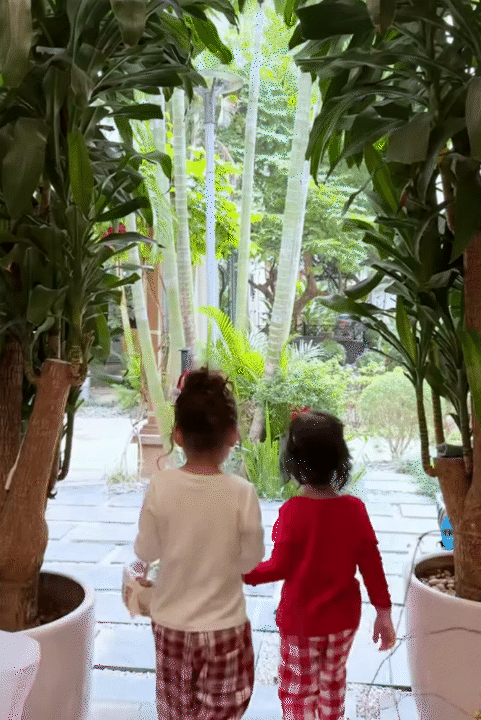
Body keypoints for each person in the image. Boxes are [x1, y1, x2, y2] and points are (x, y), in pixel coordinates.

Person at [243, 409, 396, 720]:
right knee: (332, 683)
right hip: (343, 622)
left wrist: (243, 573)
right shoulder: (354, 509)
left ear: (292, 463)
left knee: (298, 691)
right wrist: (384, 613)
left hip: (301, 623)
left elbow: (279, 567)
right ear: (340, 461)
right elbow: (372, 566)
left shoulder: (292, 511)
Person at [133, 367, 265, 720]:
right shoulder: (242, 493)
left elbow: (146, 551)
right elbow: (251, 560)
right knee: (223, 709)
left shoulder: (160, 486)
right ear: (233, 434)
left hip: (171, 626)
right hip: (224, 628)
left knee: (176, 710)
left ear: (177, 435)